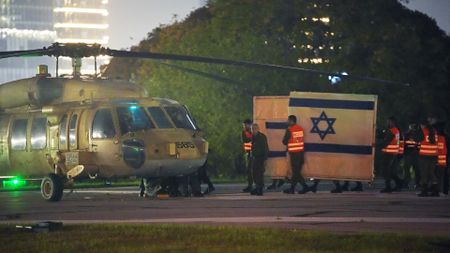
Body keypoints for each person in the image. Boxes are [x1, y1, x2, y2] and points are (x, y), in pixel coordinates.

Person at [282, 115, 311, 194]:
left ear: (291, 121)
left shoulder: (290, 130)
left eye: (288, 120)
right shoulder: (301, 129)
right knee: (296, 172)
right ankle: (292, 189)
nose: (287, 122)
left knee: (296, 172)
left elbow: (284, 141)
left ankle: (305, 187)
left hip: (294, 154)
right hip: (301, 153)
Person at [379, 116, 403, 193]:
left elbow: (386, 142)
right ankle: (399, 183)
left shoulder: (392, 131)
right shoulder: (396, 131)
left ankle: (388, 187)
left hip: (389, 153)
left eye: (388, 122)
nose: (387, 123)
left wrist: (375, 144)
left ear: (392, 122)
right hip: (393, 153)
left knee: (386, 170)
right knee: (392, 171)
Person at [416, 119, 439, 197]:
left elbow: (416, 139)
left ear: (423, 125)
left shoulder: (423, 131)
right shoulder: (434, 131)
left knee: (424, 173)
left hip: (424, 156)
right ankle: (436, 190)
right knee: (431, 173)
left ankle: (424, 191)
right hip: (433, 156)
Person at [250, 124, 269, 196]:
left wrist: (265, 159)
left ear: (258, 129)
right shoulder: (252, 137)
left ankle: (260, 189)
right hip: (255, 157)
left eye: (254, 128)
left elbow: (265, 148)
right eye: (252, 129)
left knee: (260, 174)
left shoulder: (262, 137)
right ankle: (257, 187)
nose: (253, 130)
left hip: (261, 158)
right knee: (254, 173)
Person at [403, 123, 421, 189]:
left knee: (417, 170)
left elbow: (420, 144)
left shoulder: (419, 135)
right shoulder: (407, 135)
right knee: (407, 169)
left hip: (415, 155)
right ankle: (406, 183)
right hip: (409, 154)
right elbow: (404, 144)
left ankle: (417, 183)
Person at [241, 119, 254, 193]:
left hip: (253, 153)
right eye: (244, 125)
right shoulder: (244, 132)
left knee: (252, 170)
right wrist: (251, 138)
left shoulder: (253, 131)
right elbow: (244, 140)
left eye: (245, 125)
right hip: (248, 153)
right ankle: (250, 185)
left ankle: (253, 185)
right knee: (249, 170)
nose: (244, 126)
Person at [435, 122, 447, 194]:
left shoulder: (439, 138)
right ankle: (442, 190)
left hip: (438, 161)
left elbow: (438, 150)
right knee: (442, 177)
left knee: (438, 177)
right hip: (443, 160)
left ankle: (439, 190)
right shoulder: (445, 137)